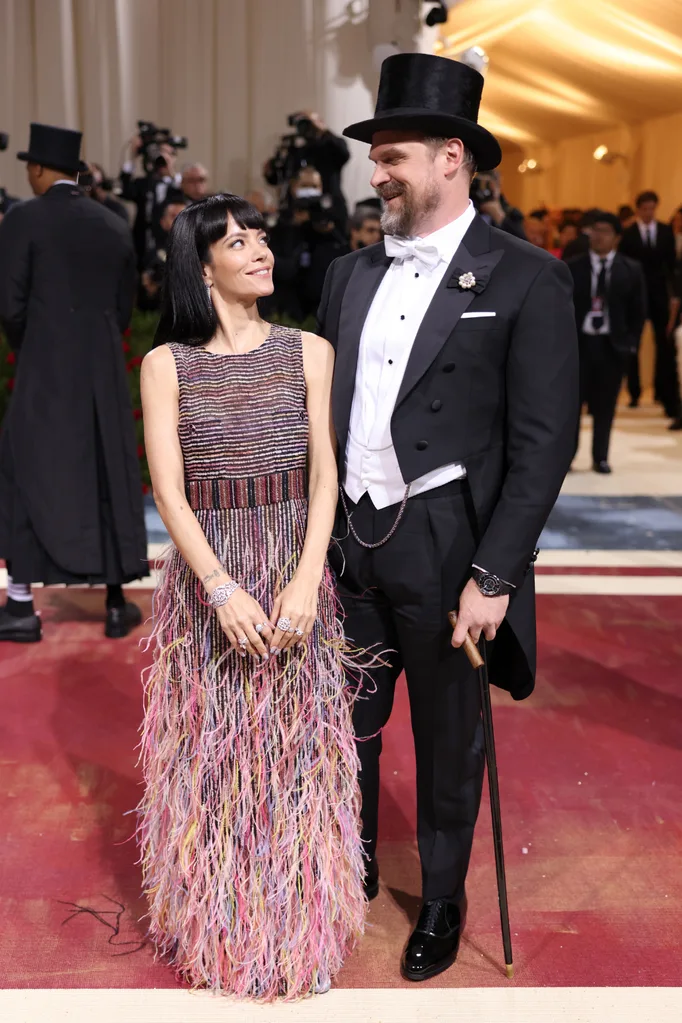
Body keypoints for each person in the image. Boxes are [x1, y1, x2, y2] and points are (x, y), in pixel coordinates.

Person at [318, 52, 578, 982]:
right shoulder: (348, 275)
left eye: (392, 156)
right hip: (351, 540)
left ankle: (440, 898)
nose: (376, 173)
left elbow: (543, 445)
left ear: (451, 158)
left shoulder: (527, 278)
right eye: (374, 157)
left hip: (448, 547)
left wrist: (494, 575)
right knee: (342, 723)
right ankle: (343, 864)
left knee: (446, 736)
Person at [137, 193, 365, 998]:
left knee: (297, 761)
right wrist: (220, 588)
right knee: (215, 765)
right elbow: (169, 492)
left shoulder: (310, 351)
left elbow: (325, 476)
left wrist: (305, 580)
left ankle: (299, 932)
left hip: (294, 575)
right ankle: (221, 933)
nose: (261, 248)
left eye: (259, 235)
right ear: (202, 269)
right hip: (211, 587)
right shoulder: (166, 365)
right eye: (237, 242)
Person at [0, 123, 147, 642]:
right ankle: (115, 603)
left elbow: (10, 305)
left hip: (44, 364)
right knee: (106, 472)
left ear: (39, 168)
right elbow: (125, 308)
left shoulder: (23, 218)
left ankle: (20, 606)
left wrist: (34, 346)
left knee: (23, 469)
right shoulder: (112, 222)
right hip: (102, 367)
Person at [567, 212, 646, 473]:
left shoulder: (631, 269)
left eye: (605, 231)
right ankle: (567, 456)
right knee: (570, 406)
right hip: (578, 345)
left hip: (612, 347)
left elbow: (638, 311)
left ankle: (600, 457)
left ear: (617, 237)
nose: (598, 236)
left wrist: (631, 344)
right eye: (595, 230)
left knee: (605, 406)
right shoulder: (572, 266)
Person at [619, 190, 678, 416]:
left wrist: (673, 295)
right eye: (645, 209)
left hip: (659, 295)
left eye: (652, 208)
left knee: (663, 342)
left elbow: (671, 265)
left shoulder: (665, 231)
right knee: (633, 342)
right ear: (638, 210)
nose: (649, 212)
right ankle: (634, 391)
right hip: (634, 295)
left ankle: (661, 391)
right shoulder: (629, 234)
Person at [119, 131, 182, 269]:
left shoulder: (180, 184)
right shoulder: (144, 183)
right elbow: (125, 191)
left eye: (168, 153)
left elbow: (185, 197)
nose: (163, 157)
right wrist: (132, 158)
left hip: (172, 247)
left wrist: (170, 171)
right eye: (160, 152)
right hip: (143, 245)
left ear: (174, 157)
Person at [138, 193, 189, 312]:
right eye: (173, 216)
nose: (179, 222)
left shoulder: (203, 253)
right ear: (163, 222)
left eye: (183, 217)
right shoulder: (153, 255)